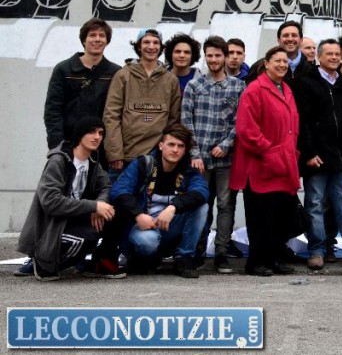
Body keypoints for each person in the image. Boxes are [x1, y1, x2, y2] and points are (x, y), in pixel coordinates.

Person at [100, 124, 209, 278]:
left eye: (180, 146)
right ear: (161, 145)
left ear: (185, 150)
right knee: (147, 242)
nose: (175, 150)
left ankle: (184, 259)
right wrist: (138, 215)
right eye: (171, 144)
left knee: (202, 206)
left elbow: (201, 191)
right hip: (144, 225)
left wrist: (173, 208)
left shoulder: (189, 169)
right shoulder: (143, 164)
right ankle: (144, 259)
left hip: (171, 225)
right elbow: (119, 191)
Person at [230, 46, 301, 277]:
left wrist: (290, 153)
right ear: (266, 63)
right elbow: (246, 130)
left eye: (285, 61)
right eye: (277, 61)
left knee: (279, 217)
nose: (282, 65)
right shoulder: (254, 90)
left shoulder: (287, 89)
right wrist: (269, 151)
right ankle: (256, 262)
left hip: (283, 164)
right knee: (261, 218)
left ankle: (275, 259)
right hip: (261, 165)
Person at [294, 39, 342, 271]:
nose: (334, 57)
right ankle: (317, 250)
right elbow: (302, 122)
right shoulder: (307, 83)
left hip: (341, 158)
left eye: (337, 54)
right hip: (317, 158)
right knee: (314, 205)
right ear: (319, 57)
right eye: (330, 54)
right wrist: (309, 153)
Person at [18, 117, 116, 281]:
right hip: (51, 226)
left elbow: (105, 186)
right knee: (87, 237)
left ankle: (95, 263)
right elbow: (51, 202)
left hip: (73, 219)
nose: (97, 137)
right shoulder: (59, 161)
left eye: (101, 133)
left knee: (113, 215)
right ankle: (43, 263)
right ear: (79, 135)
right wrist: (93, 206)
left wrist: (100, 204)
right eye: (91, 132)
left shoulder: (92, 162)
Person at [182, 36, 245, 274]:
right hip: (200, 160)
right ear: (205, 57)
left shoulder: (238, 87)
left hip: (227, 159)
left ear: (225, 57)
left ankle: (221, 253)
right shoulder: (194, 86)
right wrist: (194, 153)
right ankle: (197, 250)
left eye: (218, 55)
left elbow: (242, 121)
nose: (214, 59)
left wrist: (227, 144)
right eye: (210, 55)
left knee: (226, 205)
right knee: (200, 205)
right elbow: (186, 122)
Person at [104, 28, 181, 183]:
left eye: (156, 43)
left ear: (161, 47)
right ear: (139, 46)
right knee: (118, 196)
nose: (151, 46)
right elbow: (111, 115)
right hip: (124, 158)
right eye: (146, 42)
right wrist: (115, 153)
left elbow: (173, 120)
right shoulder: (123, 75)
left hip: (155, 159)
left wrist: (165, 154)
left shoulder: (171, 80)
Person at [43, 18, 121, 153]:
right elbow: (53, 110)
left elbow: (118, 113)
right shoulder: (63, 70)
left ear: (107, 41)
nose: (97, 39)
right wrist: (57, 146)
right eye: (92, 35)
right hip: (68, 145)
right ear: (84, 40)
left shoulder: (116, 72)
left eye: (102, 36)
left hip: (101, 148)